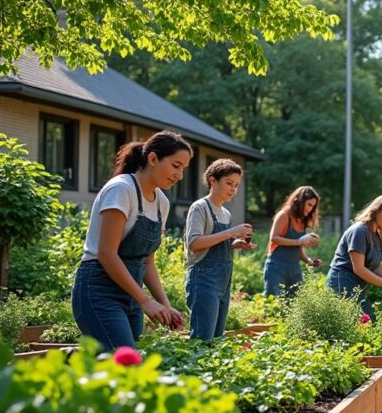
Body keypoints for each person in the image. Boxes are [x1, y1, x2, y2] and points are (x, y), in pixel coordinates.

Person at [72, 130, 191, 350]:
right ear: (153, 159)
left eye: (184, 169)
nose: (180, 176)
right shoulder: (121, 189)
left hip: (132, 295)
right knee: (126, 365)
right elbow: (106, 254)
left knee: (125, 372)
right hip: (98, 290)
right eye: (176, 166)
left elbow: (147, 263)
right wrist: (145, 301)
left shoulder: (161, 203)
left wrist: (165, 305)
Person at [184, 159, 255, 340]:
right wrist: (231, 232)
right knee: (202, 339)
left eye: (236, 185)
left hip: (223, 280)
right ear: (212, 181)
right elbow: (194, 243)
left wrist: (236, 244)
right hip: (203, 279)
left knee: (216, 339)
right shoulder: (200, 207)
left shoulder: (226, 213)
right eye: (229, 183)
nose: (233, 189)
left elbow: (216, 243)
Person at [326, 195, 382, 317]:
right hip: (342, 284)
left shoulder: (376, 235)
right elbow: (359, 269)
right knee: (358, 326)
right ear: (376, 211)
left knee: (368, 324)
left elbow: (376, 265)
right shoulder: (359, 231)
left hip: (358, 288)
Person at [264, 186, 322, 297]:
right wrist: (300, 241)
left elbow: (298, 248)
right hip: (276, 267)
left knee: (295, 304)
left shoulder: (302, 220)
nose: (310, 209)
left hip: (295, 268)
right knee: (272, 303)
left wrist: (309, 261)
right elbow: (274, 238)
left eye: (313, 207)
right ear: (300, 201)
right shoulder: (284, 215)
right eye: (309, 205)